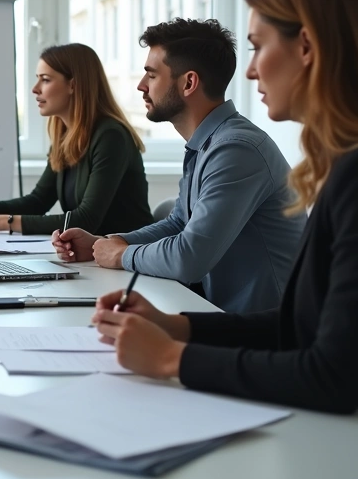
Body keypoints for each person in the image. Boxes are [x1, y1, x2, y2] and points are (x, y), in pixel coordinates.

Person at [89, 0, 358, 472]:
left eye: (258, 46)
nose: (248, 69)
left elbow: (330, 375)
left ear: (307, 46)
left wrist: (168, 358)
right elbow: (302, 326)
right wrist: (176, 326)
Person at [53, 19, 306, 313]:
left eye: (151, 75)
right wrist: (108, 243)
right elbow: (179, 224)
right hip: (220, 316)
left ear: (188, 83)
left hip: (265, 333)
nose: (141, 85)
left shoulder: (236, 149)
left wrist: (122, 255)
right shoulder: (209, 142)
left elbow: (190, 258)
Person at [0, 43, 153, 236]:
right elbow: (38, 202)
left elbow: (85, 220)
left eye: (45, 80)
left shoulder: (111, 137)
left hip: (129, 258)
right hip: (95, 257)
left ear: (73, 85)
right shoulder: (66, 136)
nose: (35, 89)